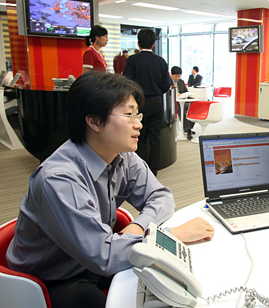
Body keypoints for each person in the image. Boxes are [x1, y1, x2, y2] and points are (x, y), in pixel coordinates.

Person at [6, 72, 214, 308]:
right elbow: (104, 257)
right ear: (93, 121)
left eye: (137, 114)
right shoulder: (59, 179)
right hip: (51, 278)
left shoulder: (122, 155)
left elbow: (161, 196)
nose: (139, 124)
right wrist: (171, 237)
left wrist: (137, 225)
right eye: (128, 115)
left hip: (92, 260)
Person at [122, 29, 171, 176]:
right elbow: (166, 85)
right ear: (154, 44)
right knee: (155, 138)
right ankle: (153, 171)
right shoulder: (161, 61)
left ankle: (142, 172)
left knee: (140, 138)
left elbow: (126, 82)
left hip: (139, 104)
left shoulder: (132, 60)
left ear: (138, 43)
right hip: (157, 103)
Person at [170, 66, 195, 140]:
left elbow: (185, 91)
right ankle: (188, 130)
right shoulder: (167, 81)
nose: (177, 78)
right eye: (175, 76)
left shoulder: (181, 81)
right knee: (181, 107)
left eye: (178, 76)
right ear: (171, 74)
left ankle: (189, 127)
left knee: (193, 105)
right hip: (172, 102)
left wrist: (183, 95)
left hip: (182, 100)